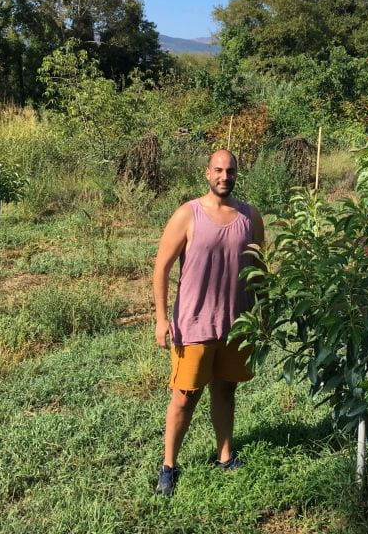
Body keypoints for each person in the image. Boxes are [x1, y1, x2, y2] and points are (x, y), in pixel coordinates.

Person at [152, 149, 265, 496]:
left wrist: (264, 315)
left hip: (237, 322)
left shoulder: (250, 216)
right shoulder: (188, 214)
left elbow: (260, 270)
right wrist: (160, 318)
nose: (224, 177)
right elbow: (161, 267)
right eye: (218, 170)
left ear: (236, 174)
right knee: (185, 397)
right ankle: (169, 466)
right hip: (195, 322)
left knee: (226, 389)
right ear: (207, 173)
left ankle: (225, 456)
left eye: (230, 171)